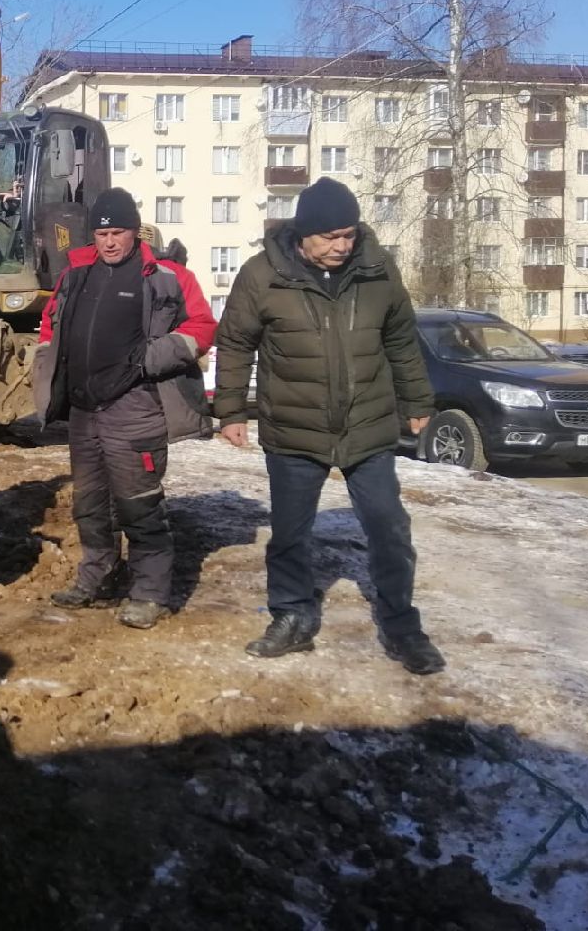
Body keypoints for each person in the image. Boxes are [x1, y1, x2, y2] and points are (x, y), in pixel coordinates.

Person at [214, 176, 444, 675]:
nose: (342, 246)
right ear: (304, 233)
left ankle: (402, 625)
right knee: (291, 533)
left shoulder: (378, 270)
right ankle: (292, 617)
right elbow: (235, 343)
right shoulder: (263, 275)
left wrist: (417, 398)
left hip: (368, 423)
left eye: (349, 234)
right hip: (293, 429)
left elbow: (402, 341)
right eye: (331, 237)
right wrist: (230, 411)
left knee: (388, 527)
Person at [36, 188, 216, 629]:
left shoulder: (166, 276)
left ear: (135, 233)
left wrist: (151, 358)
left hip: (135, 408)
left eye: (118, 232)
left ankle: (149, 591)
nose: (110, 242)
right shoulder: (75, 273)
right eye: (102, 233)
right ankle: (96, 576)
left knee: (138, 504)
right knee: (90, 503)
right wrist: (45, 360)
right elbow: (49, 323)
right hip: (83, 411)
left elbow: (203, 327)